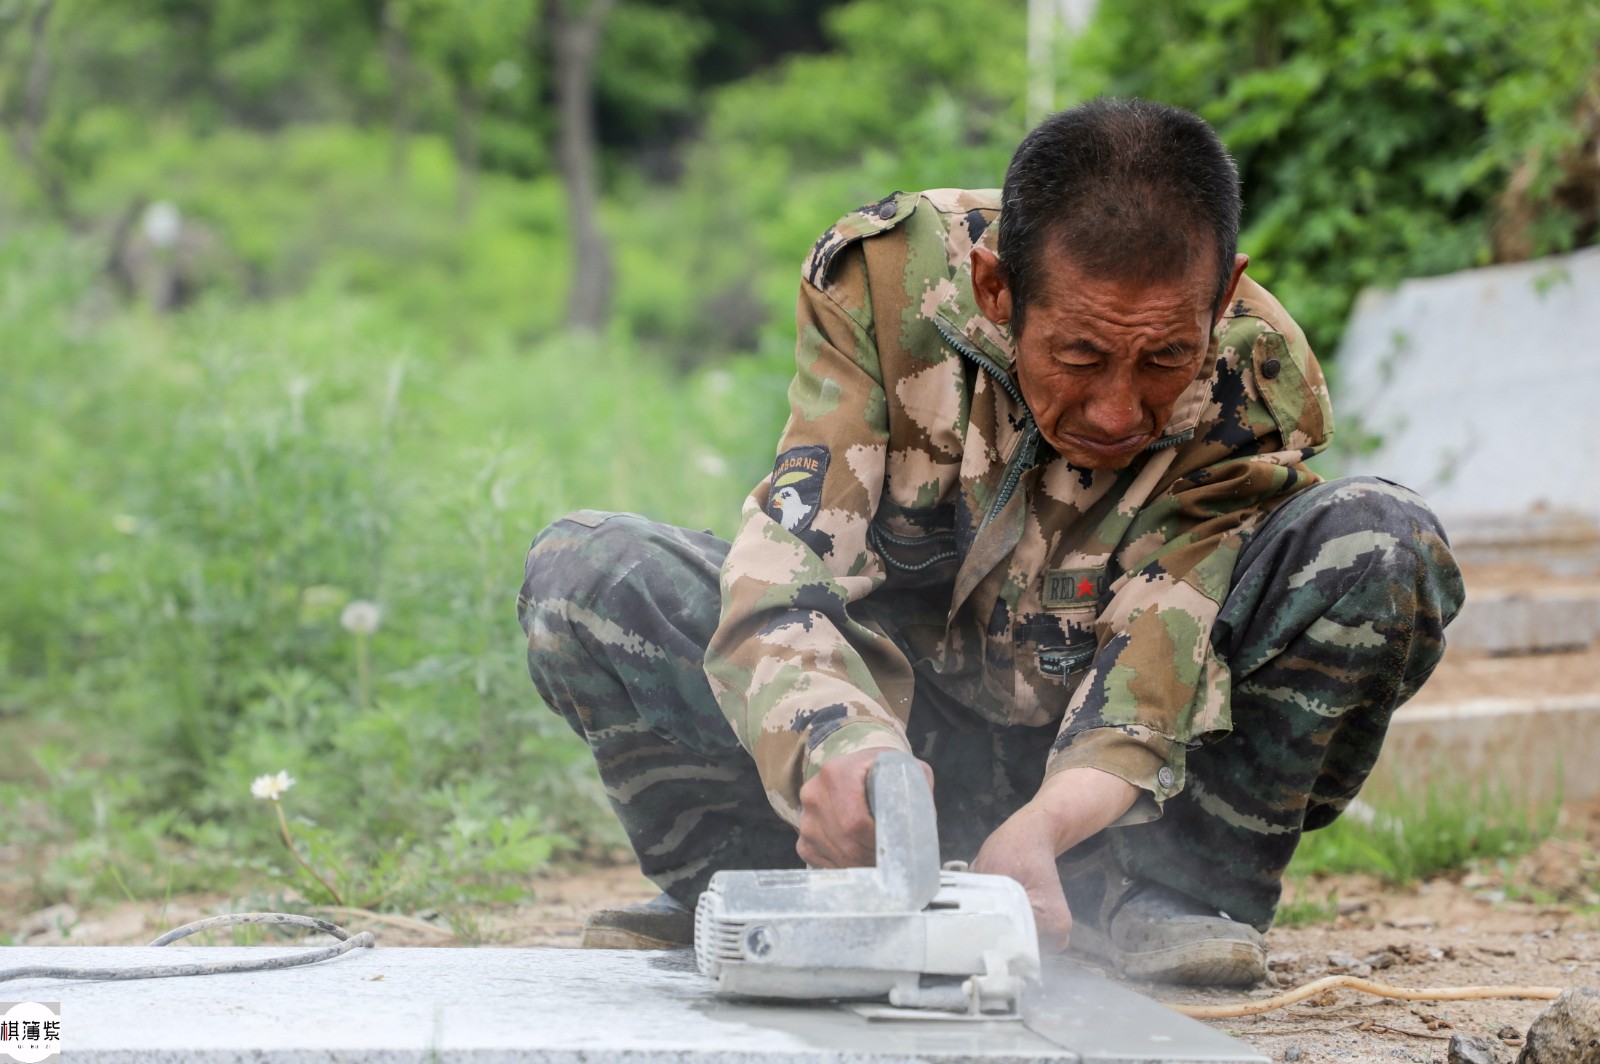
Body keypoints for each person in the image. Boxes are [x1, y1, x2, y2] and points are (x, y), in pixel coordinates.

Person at [518, 98, 1463, 986]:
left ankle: (1172, 895)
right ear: (997, 288)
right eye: (1081, 356)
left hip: (1110, 787)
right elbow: (791, 567)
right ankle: (768, 882)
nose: (1118, 407)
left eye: (1165, 359)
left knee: (1380, 543)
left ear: (1222, 302)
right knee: (588, 574)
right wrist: (844, 753)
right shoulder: (885, 285)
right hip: (906, 747)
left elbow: (1160, 645)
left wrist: (1048, 825)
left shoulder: (1253, 375)